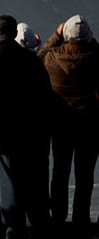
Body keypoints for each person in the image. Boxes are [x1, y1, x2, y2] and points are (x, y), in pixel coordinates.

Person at [0, 15, 55, 239]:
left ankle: (14, 231)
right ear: (15, 33)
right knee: (33, 182)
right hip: (31, 133)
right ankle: (36, 227)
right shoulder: (32, 61)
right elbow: (46, 96)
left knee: (9, 184)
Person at [39, 14, 99, 232]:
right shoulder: (95, 58)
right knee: (85, 175)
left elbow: (37, 58)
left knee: (60, 172)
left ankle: (58, 217)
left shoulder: (52, 58)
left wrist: (56, 36)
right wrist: (90, 40)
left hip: (60, 124)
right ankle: (81, 219)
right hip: (89, 125)